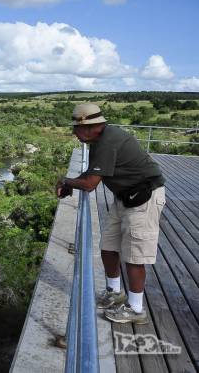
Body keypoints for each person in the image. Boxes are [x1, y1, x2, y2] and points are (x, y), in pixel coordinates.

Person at [56, 103, 165, 324]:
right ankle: (114, 292)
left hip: (144, 198)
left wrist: (65, 181)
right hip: (125, 197)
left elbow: (89, 184)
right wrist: (71, 184)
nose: (75, 133)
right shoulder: (99, 140)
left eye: (76, 129)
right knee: (108, 245)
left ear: (90, 127)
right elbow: (92, 172)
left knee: (134, 256)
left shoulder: (108, 141)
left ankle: (135, 309)